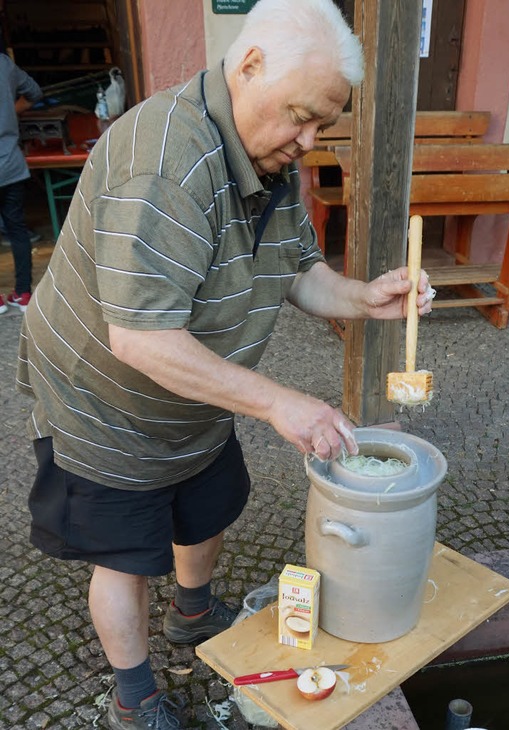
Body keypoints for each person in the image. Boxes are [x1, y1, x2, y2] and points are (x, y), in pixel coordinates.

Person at [16, 0, 434, 728]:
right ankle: (134, 694)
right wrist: (278, 402)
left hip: (195, 394)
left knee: (204, 501)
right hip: (103, 399)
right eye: (301, 115)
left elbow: (295, 267)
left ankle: (194, 618)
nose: (308, 140)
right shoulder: (166, 162)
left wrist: (367, 297)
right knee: (125, 553)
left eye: (322, 125)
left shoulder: (266, 152)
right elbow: (141, 341)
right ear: (247, 66)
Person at [0, 52, 42, 313]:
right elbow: (34, 92)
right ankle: (24, 293)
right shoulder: (4, 64)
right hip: (11, 165)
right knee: (17, 229)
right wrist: (11, 110)